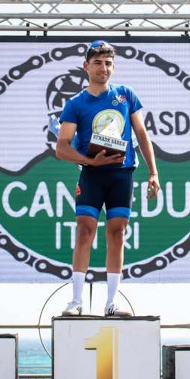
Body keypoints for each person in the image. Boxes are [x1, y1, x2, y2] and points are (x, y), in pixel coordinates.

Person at [56, 40, 160, 317]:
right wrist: (91, 160)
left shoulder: (125, 94)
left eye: (108, 63)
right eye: (98, 63)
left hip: (122, 173)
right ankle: (76, 302)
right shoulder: (76, 103)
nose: (104, 68)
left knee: (117, 232)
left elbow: (141, 133)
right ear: (86, 66)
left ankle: (111, 303)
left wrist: (153, 172)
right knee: (85, 230)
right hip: (92, 173)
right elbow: (62, 147)